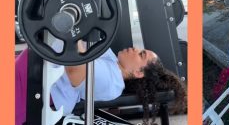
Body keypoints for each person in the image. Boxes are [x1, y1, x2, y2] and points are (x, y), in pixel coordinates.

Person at [15, 41, 186, 125]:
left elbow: (75, 71)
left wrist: (71, 29)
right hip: (26, 72)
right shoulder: (110, 58)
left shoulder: (113, 82)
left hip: (26, 88)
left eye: (141, 54)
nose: (135, 49)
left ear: (138, 73)